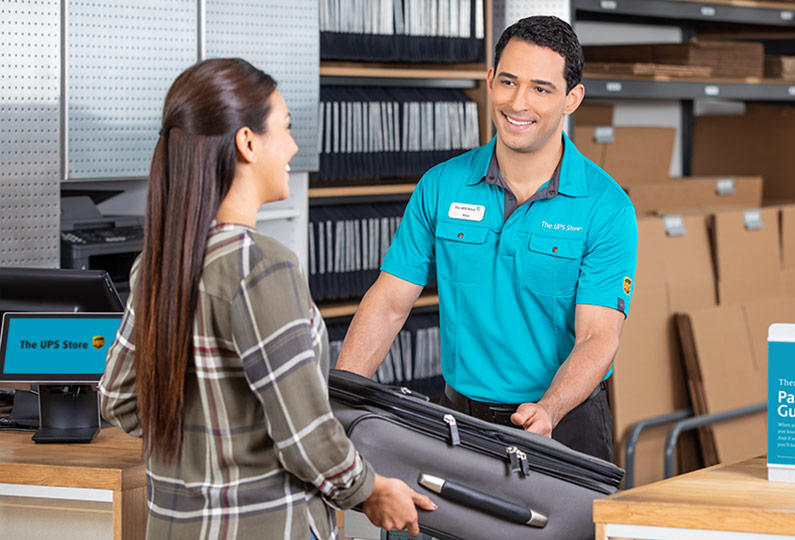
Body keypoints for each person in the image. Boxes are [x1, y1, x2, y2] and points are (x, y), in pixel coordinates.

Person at [98, 58, 435, 540]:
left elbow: (118, 399)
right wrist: (370, 489)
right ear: (248, 142)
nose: (294, 147)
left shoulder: (159, 263)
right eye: (287, 128)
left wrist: (212, 435)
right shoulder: (261, 266)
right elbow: (305, 438)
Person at [335, 16, 638, 462]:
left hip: (563, 422)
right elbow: (389, 302)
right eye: (509, 82)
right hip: (461, 421)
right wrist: (339, 400)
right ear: (490, 79)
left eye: (541, 89)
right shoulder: (441, 185)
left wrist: (548, 410)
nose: (518, 103)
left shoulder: (606, 207)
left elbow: (597, 337)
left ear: (571, 99)